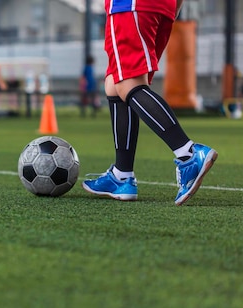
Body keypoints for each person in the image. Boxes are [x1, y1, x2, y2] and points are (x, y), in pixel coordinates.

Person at [82, 0, 218, 206]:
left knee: (128, 83)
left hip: (130, 6)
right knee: (115, 83)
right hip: (163, 7)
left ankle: (188, 154)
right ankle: (122, 175)